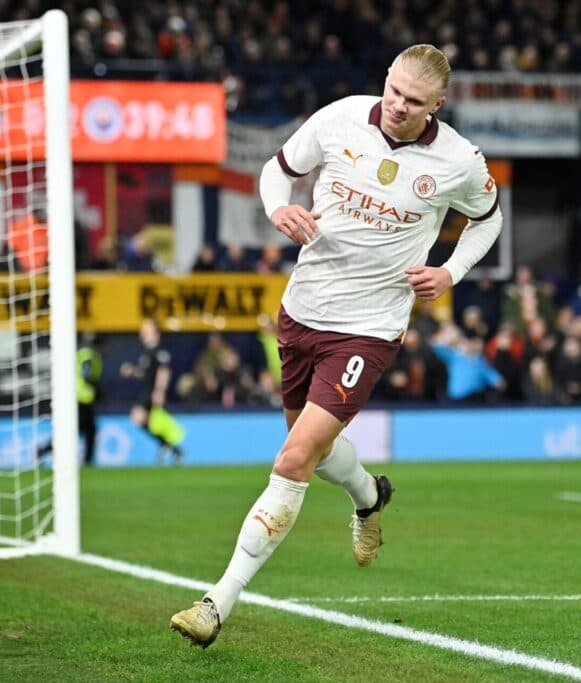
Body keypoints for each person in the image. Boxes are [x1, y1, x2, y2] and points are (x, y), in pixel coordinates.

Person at [170, 44, 502, 647]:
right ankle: (371, 496)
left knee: (293, 458)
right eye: (395, 91)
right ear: (386, 81)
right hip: (302, 312)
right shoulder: (341, 117)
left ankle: (218, 601)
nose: (399, 106)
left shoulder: (457, 160)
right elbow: (277, 168)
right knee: (316, 453)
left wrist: (451, 270)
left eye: (415, 101)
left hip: (370, 327)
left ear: (439, 104)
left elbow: (489, 216)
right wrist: (277, 208)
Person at [120, 318, 185, 463]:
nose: (142, 333)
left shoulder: (160, 351)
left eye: (146, 330)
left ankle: (167, 445)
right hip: (147, 390)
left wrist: (159, 391)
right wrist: (132, 371)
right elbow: (145, 373)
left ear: (155, 332)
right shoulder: (147, 352)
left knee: (137, 417)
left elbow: (164, 371)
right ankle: (171, 447)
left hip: (151, 391)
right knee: (141, 419)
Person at [37, 332, 104, 466]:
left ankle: (87, 460)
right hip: (81, 398)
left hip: (81, 398)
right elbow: (87, 373)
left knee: (87, 430)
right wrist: (98, 388)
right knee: (77, 431)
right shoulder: (89, 354)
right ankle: (43, 450)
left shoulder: (81, 352)